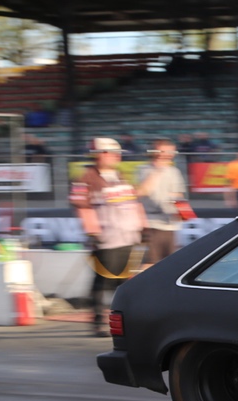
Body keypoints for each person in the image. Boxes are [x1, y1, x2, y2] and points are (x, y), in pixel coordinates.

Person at [70, 137, 146, 337]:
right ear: (100, 155)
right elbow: (82, 207)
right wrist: (93, 232)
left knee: (124, 283)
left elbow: (133, 202)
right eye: (112, 153)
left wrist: (142, 226)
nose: (117, 157)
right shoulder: (85, 179)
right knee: (103, 281)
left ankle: (124, 320)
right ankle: (97, 322)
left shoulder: (120, 176)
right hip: (107, 238)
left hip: (128, 236)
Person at [135, 139, 188, 269]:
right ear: (155, 151)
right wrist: (158, 170)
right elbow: (142, 191)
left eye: (171, 151)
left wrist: (183, 214)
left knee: (168, 263)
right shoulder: (143, 169)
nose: (169, 154)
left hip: (170, 224)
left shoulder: (174, 171)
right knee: (150, 263)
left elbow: (178, 195)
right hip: (151, 223)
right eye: (165, 151)